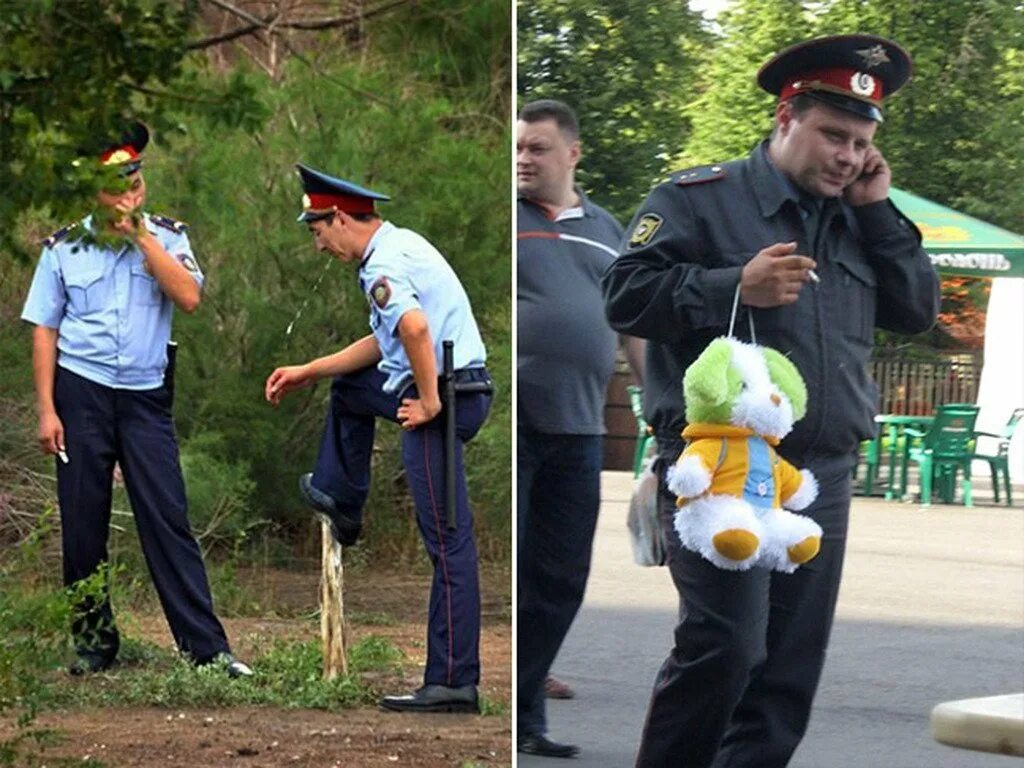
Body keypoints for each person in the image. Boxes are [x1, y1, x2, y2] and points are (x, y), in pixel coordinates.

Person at [602, 35, 940, 767]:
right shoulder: (701, 199)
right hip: (719, 466)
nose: (848, 157)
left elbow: (918, 312)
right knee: (724, 649)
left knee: (786, 674)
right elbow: (623, 296)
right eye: (833, 136)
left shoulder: (860, 214)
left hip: (823, 473)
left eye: (861, 143)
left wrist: (880, 211)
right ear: (787, 116)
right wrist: (730, 286)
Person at [20, 122, 252, 678]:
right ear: (95, 190)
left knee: (167, 517)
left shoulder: (169, 238)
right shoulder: (64, 247)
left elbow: (190, 298)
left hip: (145, 395)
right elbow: (45, 330)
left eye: (136, 180)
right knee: (83, 524)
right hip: (81, 392)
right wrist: (47, 409)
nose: (130, 192)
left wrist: (142, 237)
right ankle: (94, 644)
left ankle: (207, 651)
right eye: (117, 185)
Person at [265, 164, 492, 713]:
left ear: (338, 218)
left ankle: (453, 681)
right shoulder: (398, 246)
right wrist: (309, 369)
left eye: (317, 232)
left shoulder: (383, 264)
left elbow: (414, 329)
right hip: (443, 387)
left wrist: (432, 401)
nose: (319, 246)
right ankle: (342, 498)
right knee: (347, 388)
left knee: (447, 540)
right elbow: (386, 338)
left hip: (444, 398)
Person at [517, 99, 645, 758]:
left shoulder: (607, 228)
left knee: (562, 576)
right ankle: (517, 706)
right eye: (518, 147)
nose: (523, 158)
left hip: (579, 428)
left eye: (537, 148)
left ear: (572, 153)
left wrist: (658, 404)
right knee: (515, 571)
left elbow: (630, 321)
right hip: (513, 425)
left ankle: (526, 707)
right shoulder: (503, 216)